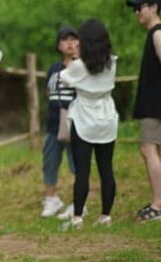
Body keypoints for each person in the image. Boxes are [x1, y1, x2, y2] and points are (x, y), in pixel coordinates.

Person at [59, 19, 118, 230]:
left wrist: (74, 57)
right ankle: (106, 215)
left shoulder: (78, 66)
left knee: (82, 170)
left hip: (84, 117)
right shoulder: (112, 62)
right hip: (107, 117)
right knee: (106, 169)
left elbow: (63, 77)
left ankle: (77, 218)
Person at [126, 0, 161, 223]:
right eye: (135, 8)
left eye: (141, 7)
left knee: (148, 149)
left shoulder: (158, 33)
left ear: (154, 7)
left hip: (155, 103)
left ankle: (158, 205)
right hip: (153, 101)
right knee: (154, 150)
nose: (137, 12)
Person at [40, 27, 79, 218]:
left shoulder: (82, 66)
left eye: (74, 39)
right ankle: (51, 199)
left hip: (77, 122)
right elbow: (48, 92)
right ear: (59, 45)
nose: (70, 43)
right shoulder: (54, 69)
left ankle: (79, 202)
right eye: (66, 40)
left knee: (77, 164)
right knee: (50, 161)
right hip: (54, 122)